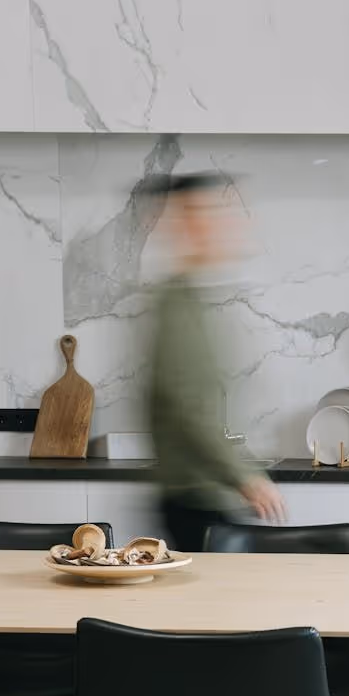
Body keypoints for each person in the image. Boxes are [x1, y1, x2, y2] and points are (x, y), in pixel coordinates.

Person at [145, 172, 285, 551]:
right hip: (192, 499)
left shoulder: (194, 299)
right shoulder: (176, 304)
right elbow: (187, 407)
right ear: (182, 225)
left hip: (205, 495)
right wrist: (245, 477)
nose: (220, 226)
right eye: (202, 215)